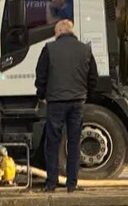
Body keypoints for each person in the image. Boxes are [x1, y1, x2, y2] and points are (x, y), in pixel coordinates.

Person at [35, 19, 98, 192]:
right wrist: (86, 95)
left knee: (53, 143)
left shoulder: (49, 49)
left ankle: (51, 183)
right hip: (77, 102)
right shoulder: (85, 49)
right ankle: (72, 184)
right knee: (74, 143)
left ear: (59, 32)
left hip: (55, 102)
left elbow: (41, 74)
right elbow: (93, 77)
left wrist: (42, 94)